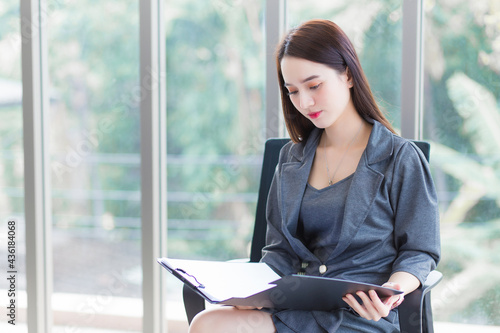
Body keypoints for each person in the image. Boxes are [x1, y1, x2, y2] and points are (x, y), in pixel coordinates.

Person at [189, 19, 440, 333]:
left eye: (314, 85)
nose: (304, 102)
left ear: (347, 74)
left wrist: (393, 291)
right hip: (298, 310)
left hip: (364, 316)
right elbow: (279, 251)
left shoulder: (399, 158)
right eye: (292, 91)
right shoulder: (291, 159)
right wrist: (248, 293)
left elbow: (420, 250)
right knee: (208, 323)